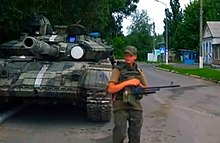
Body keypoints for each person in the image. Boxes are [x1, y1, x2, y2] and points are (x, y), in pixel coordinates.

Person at [108, 45, 148, 143]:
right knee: (120, 134)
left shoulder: (138, 70)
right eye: (126, 55)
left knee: (135, 136)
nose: (127, 58)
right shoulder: (118, 69)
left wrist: (139, 87)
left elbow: (145, 88)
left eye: (130, 55)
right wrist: (129, 82)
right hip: (120, 105)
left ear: (135, 57)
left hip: (135, 106)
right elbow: (111, 89)